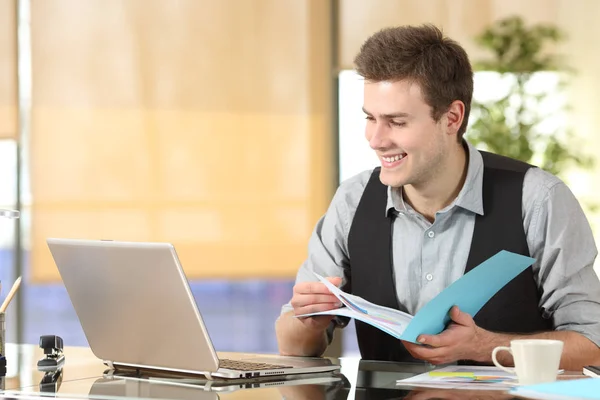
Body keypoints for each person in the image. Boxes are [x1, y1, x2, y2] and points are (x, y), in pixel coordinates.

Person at [275, 24, 600, 370]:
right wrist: (308, 320)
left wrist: (487, 346)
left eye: (397, 122)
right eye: (371, 118)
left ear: (452, 118)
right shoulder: (352, 201)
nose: (376, 139)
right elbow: (294, 346)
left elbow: (592, 345)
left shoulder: (539, 200)